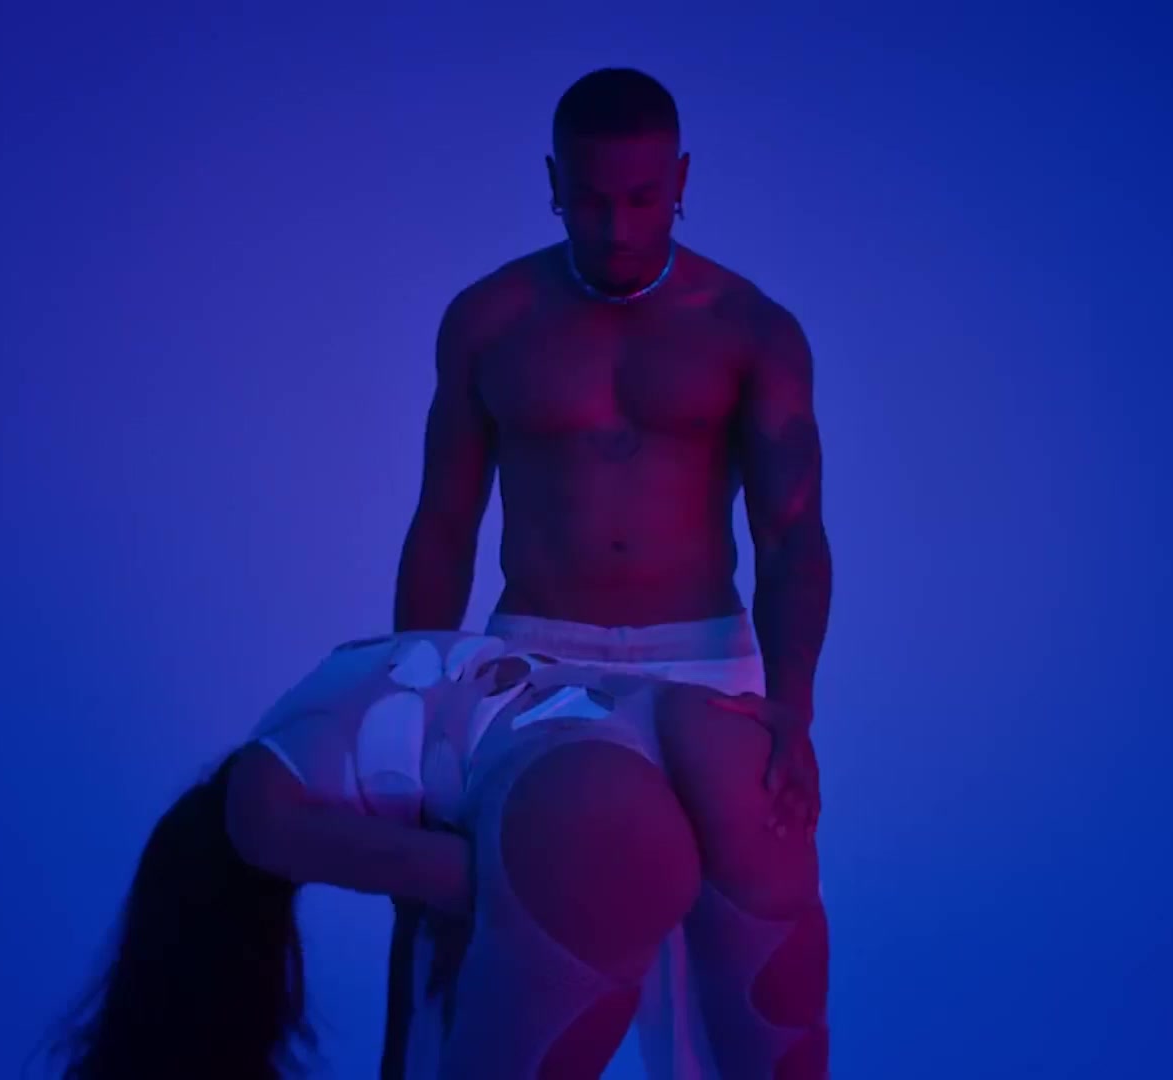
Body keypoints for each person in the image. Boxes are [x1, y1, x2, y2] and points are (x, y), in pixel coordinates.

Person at [391, 67, 834, 1079]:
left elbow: (793, 535)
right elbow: (445, 524)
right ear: (552, 182)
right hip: (534, 660)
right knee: (491, 944)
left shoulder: (751, 329)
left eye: (643, 198)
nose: (619, 227)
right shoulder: (490, 320)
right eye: (592, 199)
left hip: (705, 660)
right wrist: (418, 698)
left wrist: (795, 712)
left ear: (682, 180)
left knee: (737, 978)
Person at [46, 631, 829, 1079]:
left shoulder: (252, 810)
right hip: (708, 729)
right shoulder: (330, 682)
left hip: (580, 789)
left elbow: (464, 880)